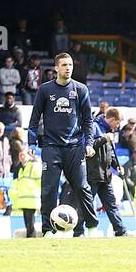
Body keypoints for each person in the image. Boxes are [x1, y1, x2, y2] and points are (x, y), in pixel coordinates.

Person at [29, 52, 98, 236]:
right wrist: (31, 143)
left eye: (70, 65)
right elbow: (35, 118)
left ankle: (91, 227)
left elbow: (88, 121)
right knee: (49, 189)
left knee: (82, 187)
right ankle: (48, 230)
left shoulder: (81, 90)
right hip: (51, 147)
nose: (68, 68)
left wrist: (89, 143)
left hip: (75, 147)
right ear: (57, 68)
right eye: (64, 65)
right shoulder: (45, 90)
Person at [86, 107, 127, 237]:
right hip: (92, 174)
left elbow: (111, 154)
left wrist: (117, 166)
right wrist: (104, 139)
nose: (118, 125)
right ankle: (78, 231)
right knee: (86, 203)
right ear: (112, 119)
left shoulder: (109, 132)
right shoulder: (94, 126)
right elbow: (88, 145)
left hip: (106, 175)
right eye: (118, 122)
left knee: (111, 205)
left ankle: (120, 231)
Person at [11, 148, 42, 237]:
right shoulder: (20, 169)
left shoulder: (34, 166)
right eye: (20, 155)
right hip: (24, 199)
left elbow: (40, 180)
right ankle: (30, 236)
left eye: (23, 155)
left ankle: (31, 236)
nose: (21, 157)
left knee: (30, 222)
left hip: (32, 198)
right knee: (28, 221)